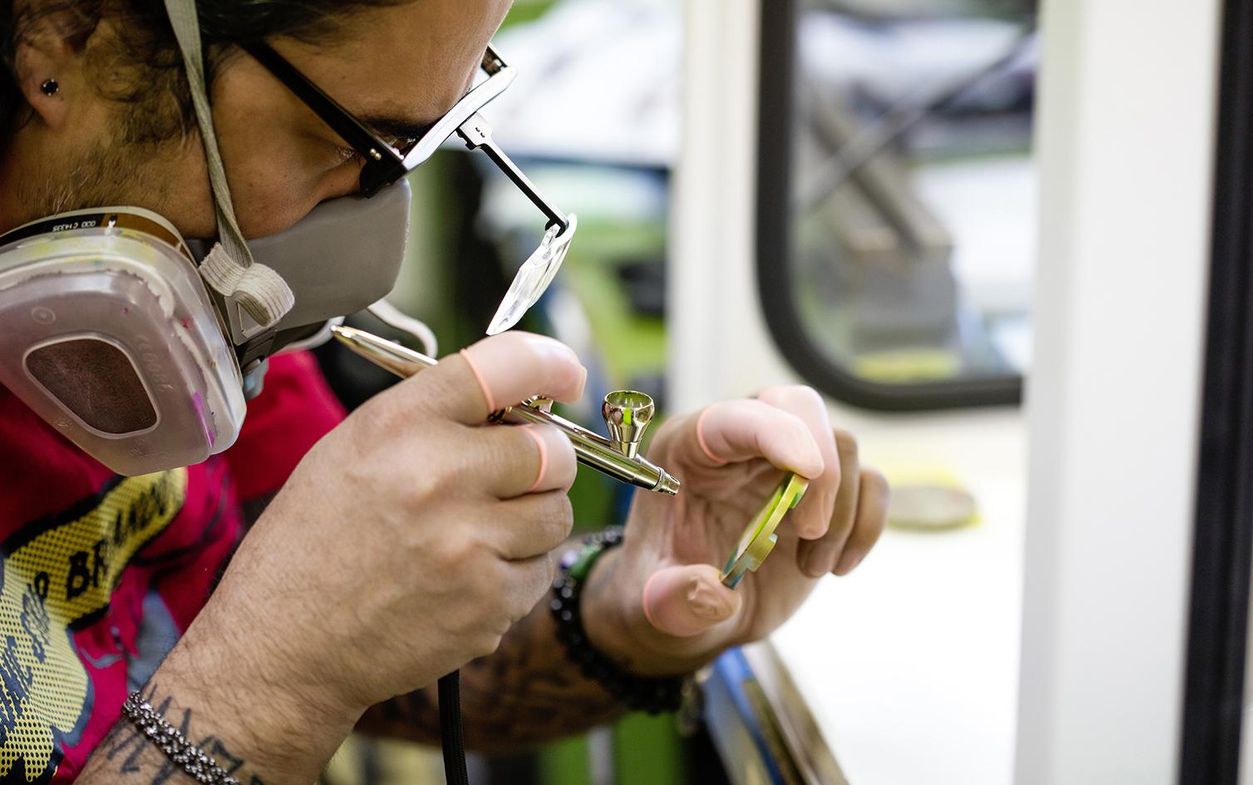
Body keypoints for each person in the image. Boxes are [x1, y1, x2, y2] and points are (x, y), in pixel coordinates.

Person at [0, 1, 889, 783]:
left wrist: (625, 604)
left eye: (411, 150)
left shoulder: (200, 315)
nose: (366, 231)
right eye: (347, 142)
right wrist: (270, 682)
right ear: (69, 33)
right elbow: (280, 660)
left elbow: (369, 657)